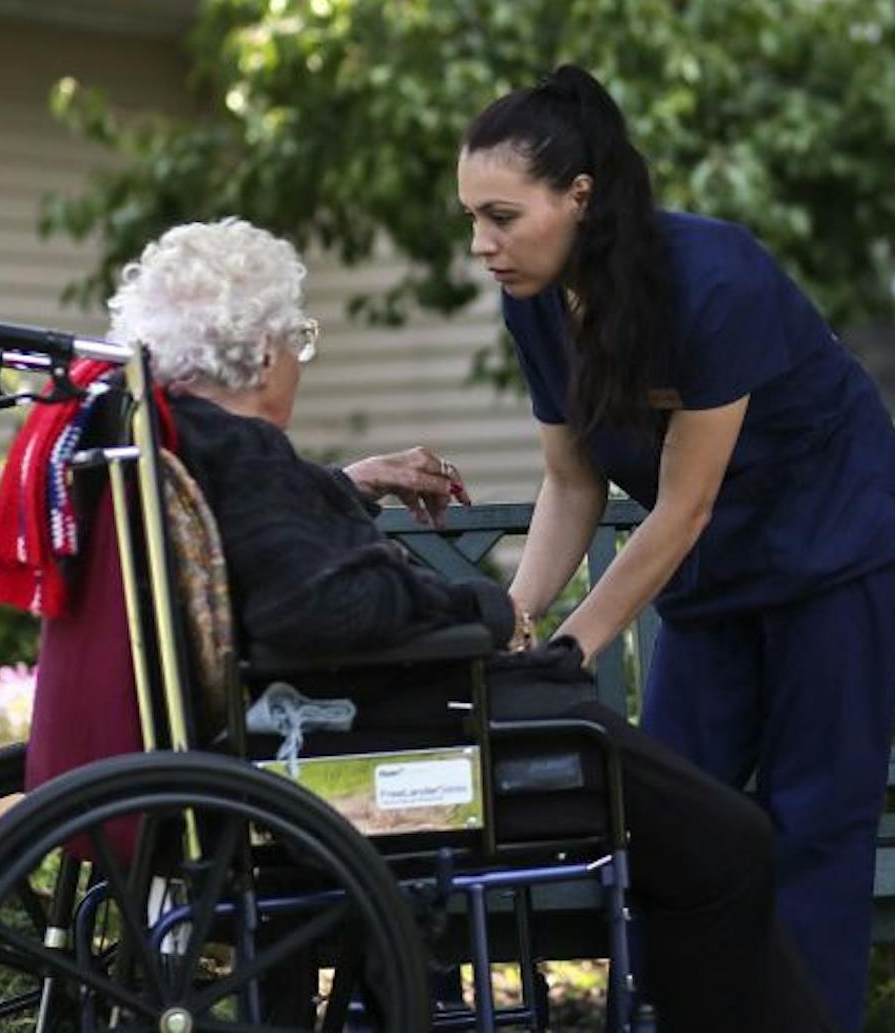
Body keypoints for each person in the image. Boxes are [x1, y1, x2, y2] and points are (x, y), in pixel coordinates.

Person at [102, 217, 837, 1033]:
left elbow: (276, 549)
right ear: (259, 352)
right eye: (297, 341)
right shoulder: (245, 456)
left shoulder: (192, 441)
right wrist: (484, 612)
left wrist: (344, 485)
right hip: (424, 739)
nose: (299, 364)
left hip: (337, 727)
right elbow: (322, 607)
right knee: (730, 841)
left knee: (701, 840)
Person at [458, 65, 895, 1032]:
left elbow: (682, 506)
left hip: (837, 545)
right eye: (472, 218)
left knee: (814, 822)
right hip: (716, 568)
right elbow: (573, 480)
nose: (481, 245)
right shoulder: (535, 302)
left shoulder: (715, 279)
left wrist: (574, 647)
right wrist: (519, 618)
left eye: (502, 216)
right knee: (672, 814)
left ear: (580, 195)